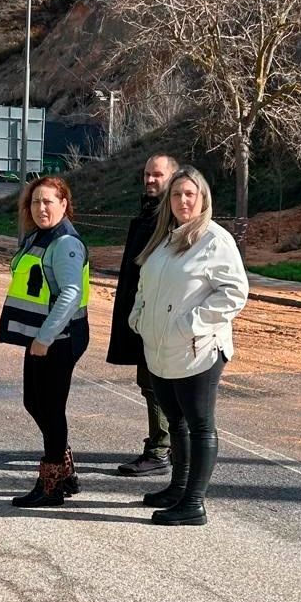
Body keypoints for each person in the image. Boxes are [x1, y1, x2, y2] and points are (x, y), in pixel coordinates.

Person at [129, 167, 248, 527]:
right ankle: (178, 488)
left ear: (203, 198)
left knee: (199, 425)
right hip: (161, 350)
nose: (183, 200)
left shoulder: (215, 240)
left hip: (198, 350)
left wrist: (189, 325)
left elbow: (234, 293)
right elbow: (145, 286)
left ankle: (194, 503)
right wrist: (139, 319)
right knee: (176, 423)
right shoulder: (164, 240)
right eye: (177, 194)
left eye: (190, 194)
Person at [0, 176, 90, 507]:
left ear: (64, 204)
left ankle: (52, 485)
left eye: (48, 201)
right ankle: (64, 469)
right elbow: (26, 286)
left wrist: (45, 338)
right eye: (35, 201)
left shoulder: (65, 243)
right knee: (35, 402)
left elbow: (70, 294)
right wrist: (5, 326)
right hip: (41, 336)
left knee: (49, 407)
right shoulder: (39, 237)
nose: (41, 207)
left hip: (60, 338)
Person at [106, 154, 178, 476]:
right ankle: (169, 444)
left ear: (172, 177)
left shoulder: (168, 218)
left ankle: (160, 449)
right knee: (151, 382)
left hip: (157, 317)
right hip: (143, 313)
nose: (150, 180)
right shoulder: (150, 212)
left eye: (157, 175)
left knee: (154, 383)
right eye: (147, 174)